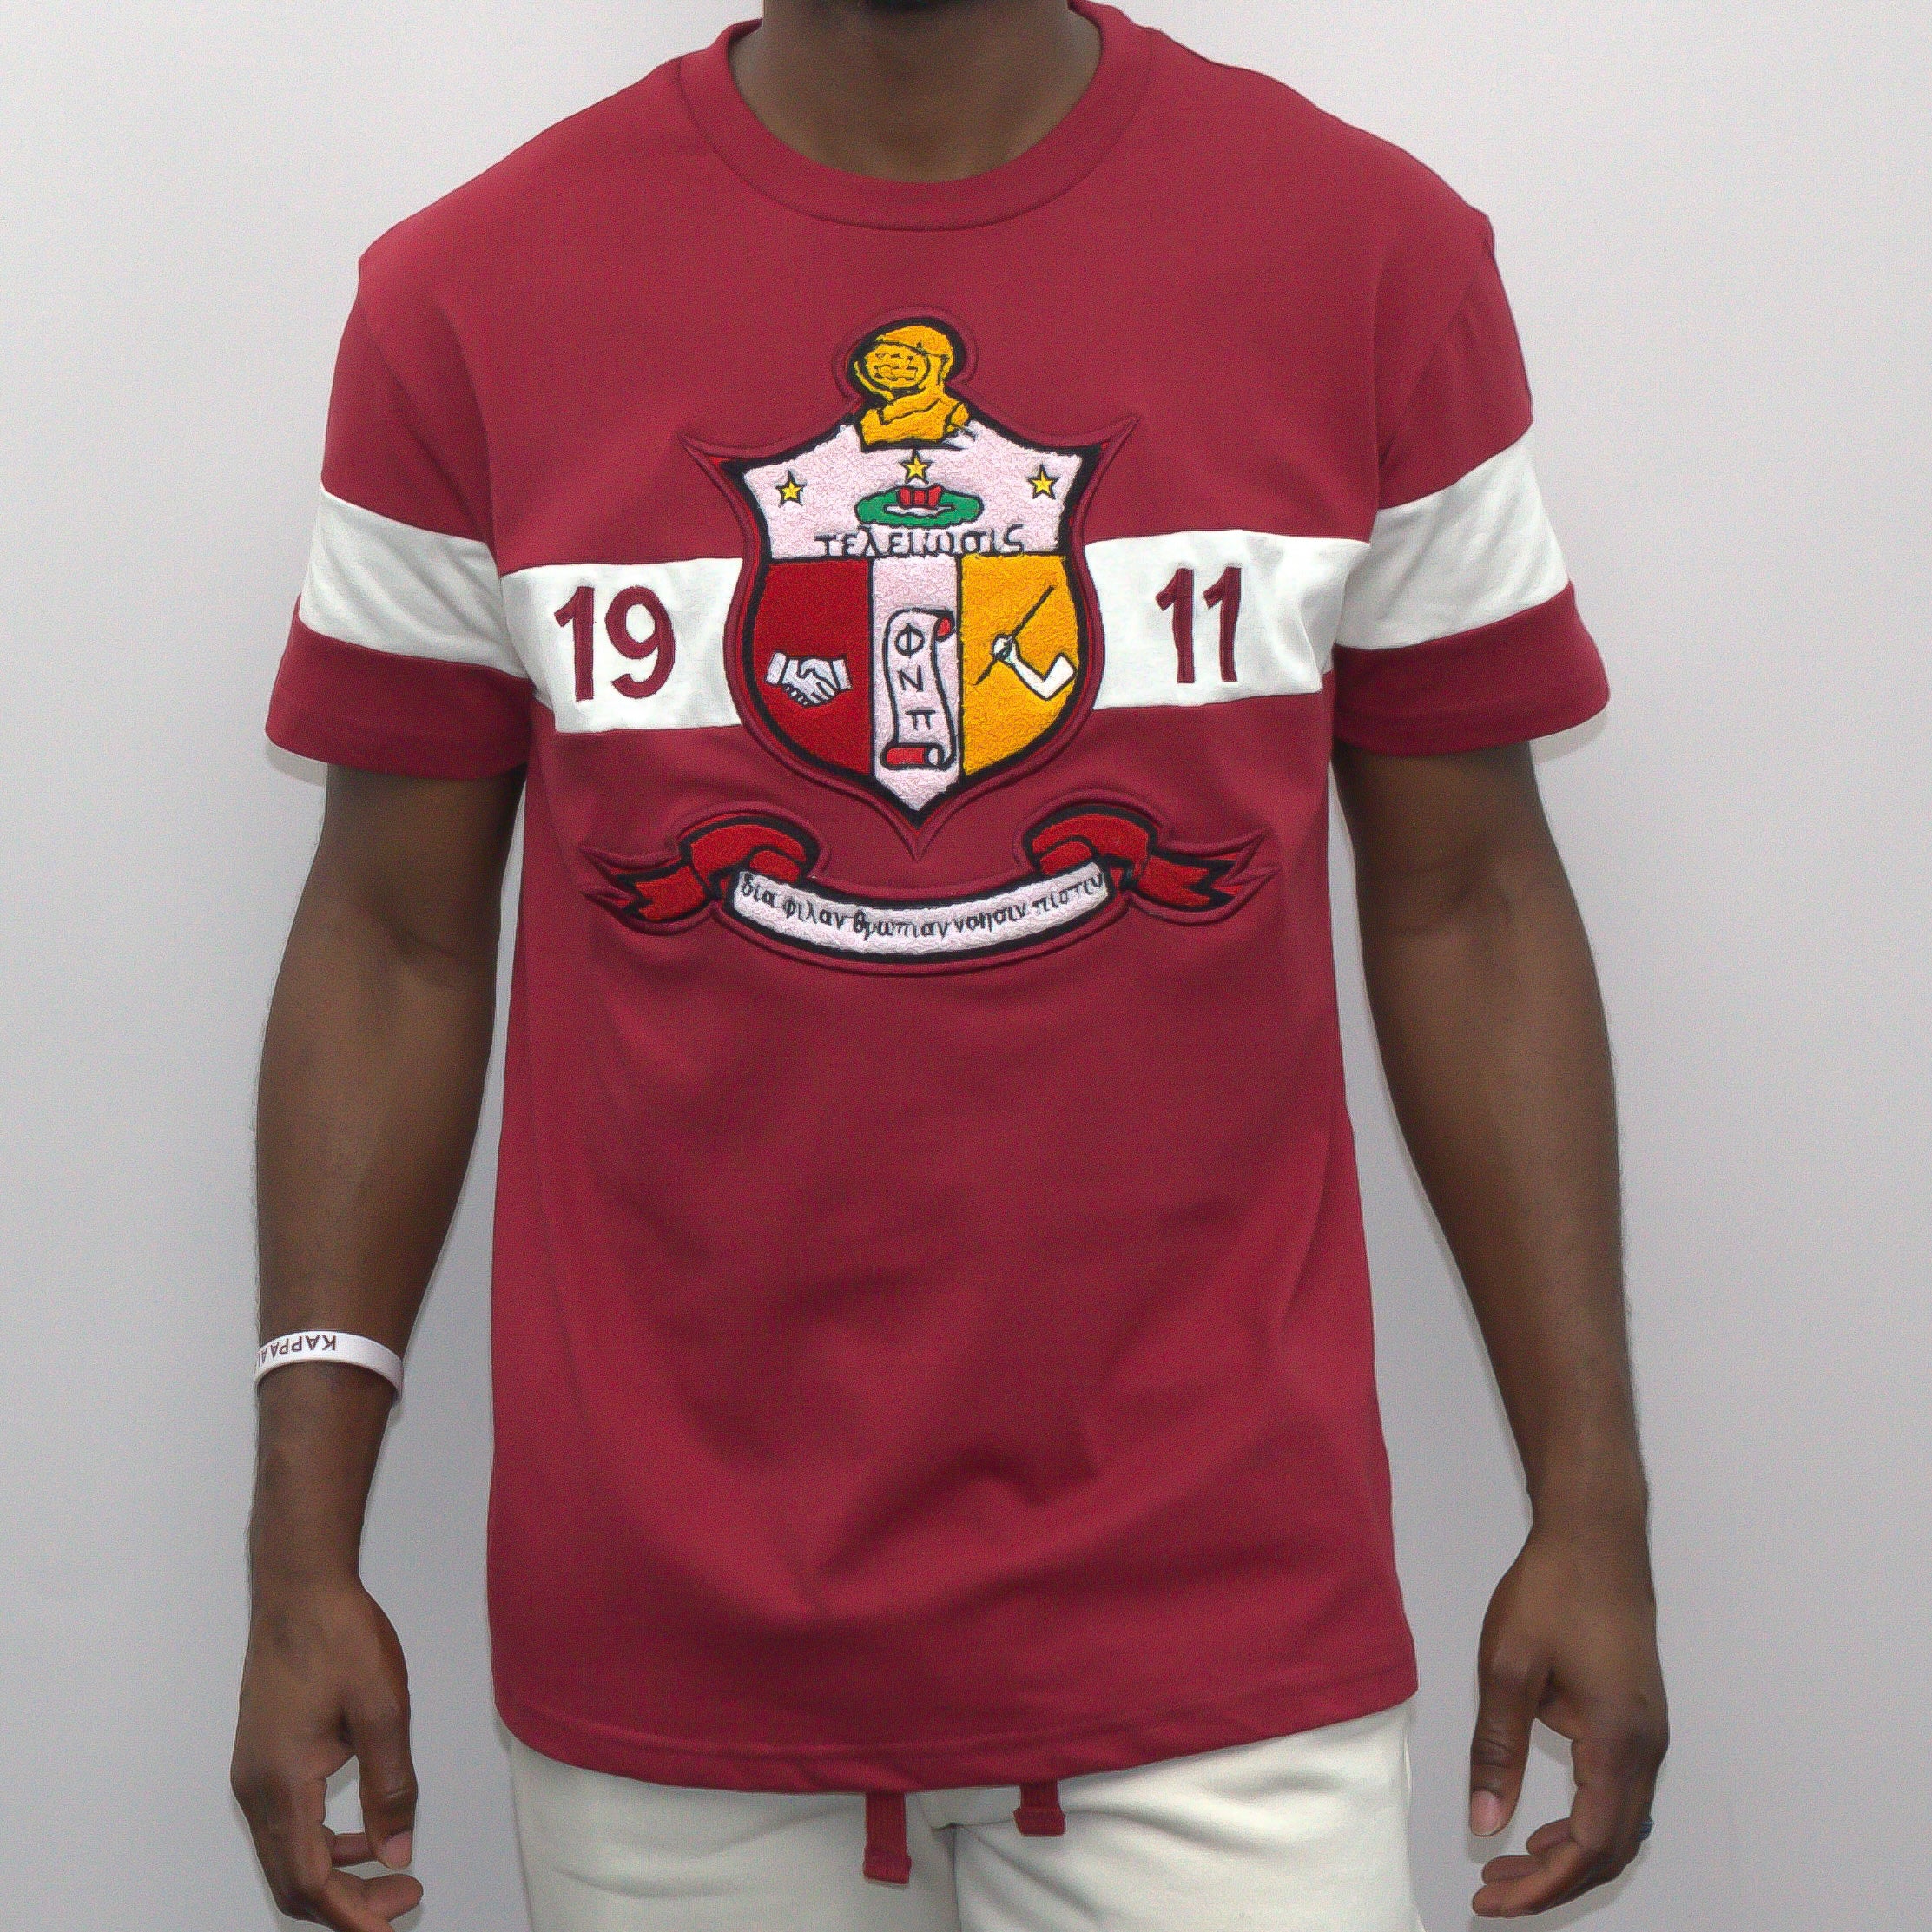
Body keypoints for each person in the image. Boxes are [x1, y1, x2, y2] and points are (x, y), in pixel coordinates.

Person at [230, 3, 1668, 1928]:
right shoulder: (470, 300)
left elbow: (1470, 899)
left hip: (1220, 1643)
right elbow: (390, 942)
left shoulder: (1366, 254)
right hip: (670, 1659)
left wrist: (1593, 1503)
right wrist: (300, 1546)